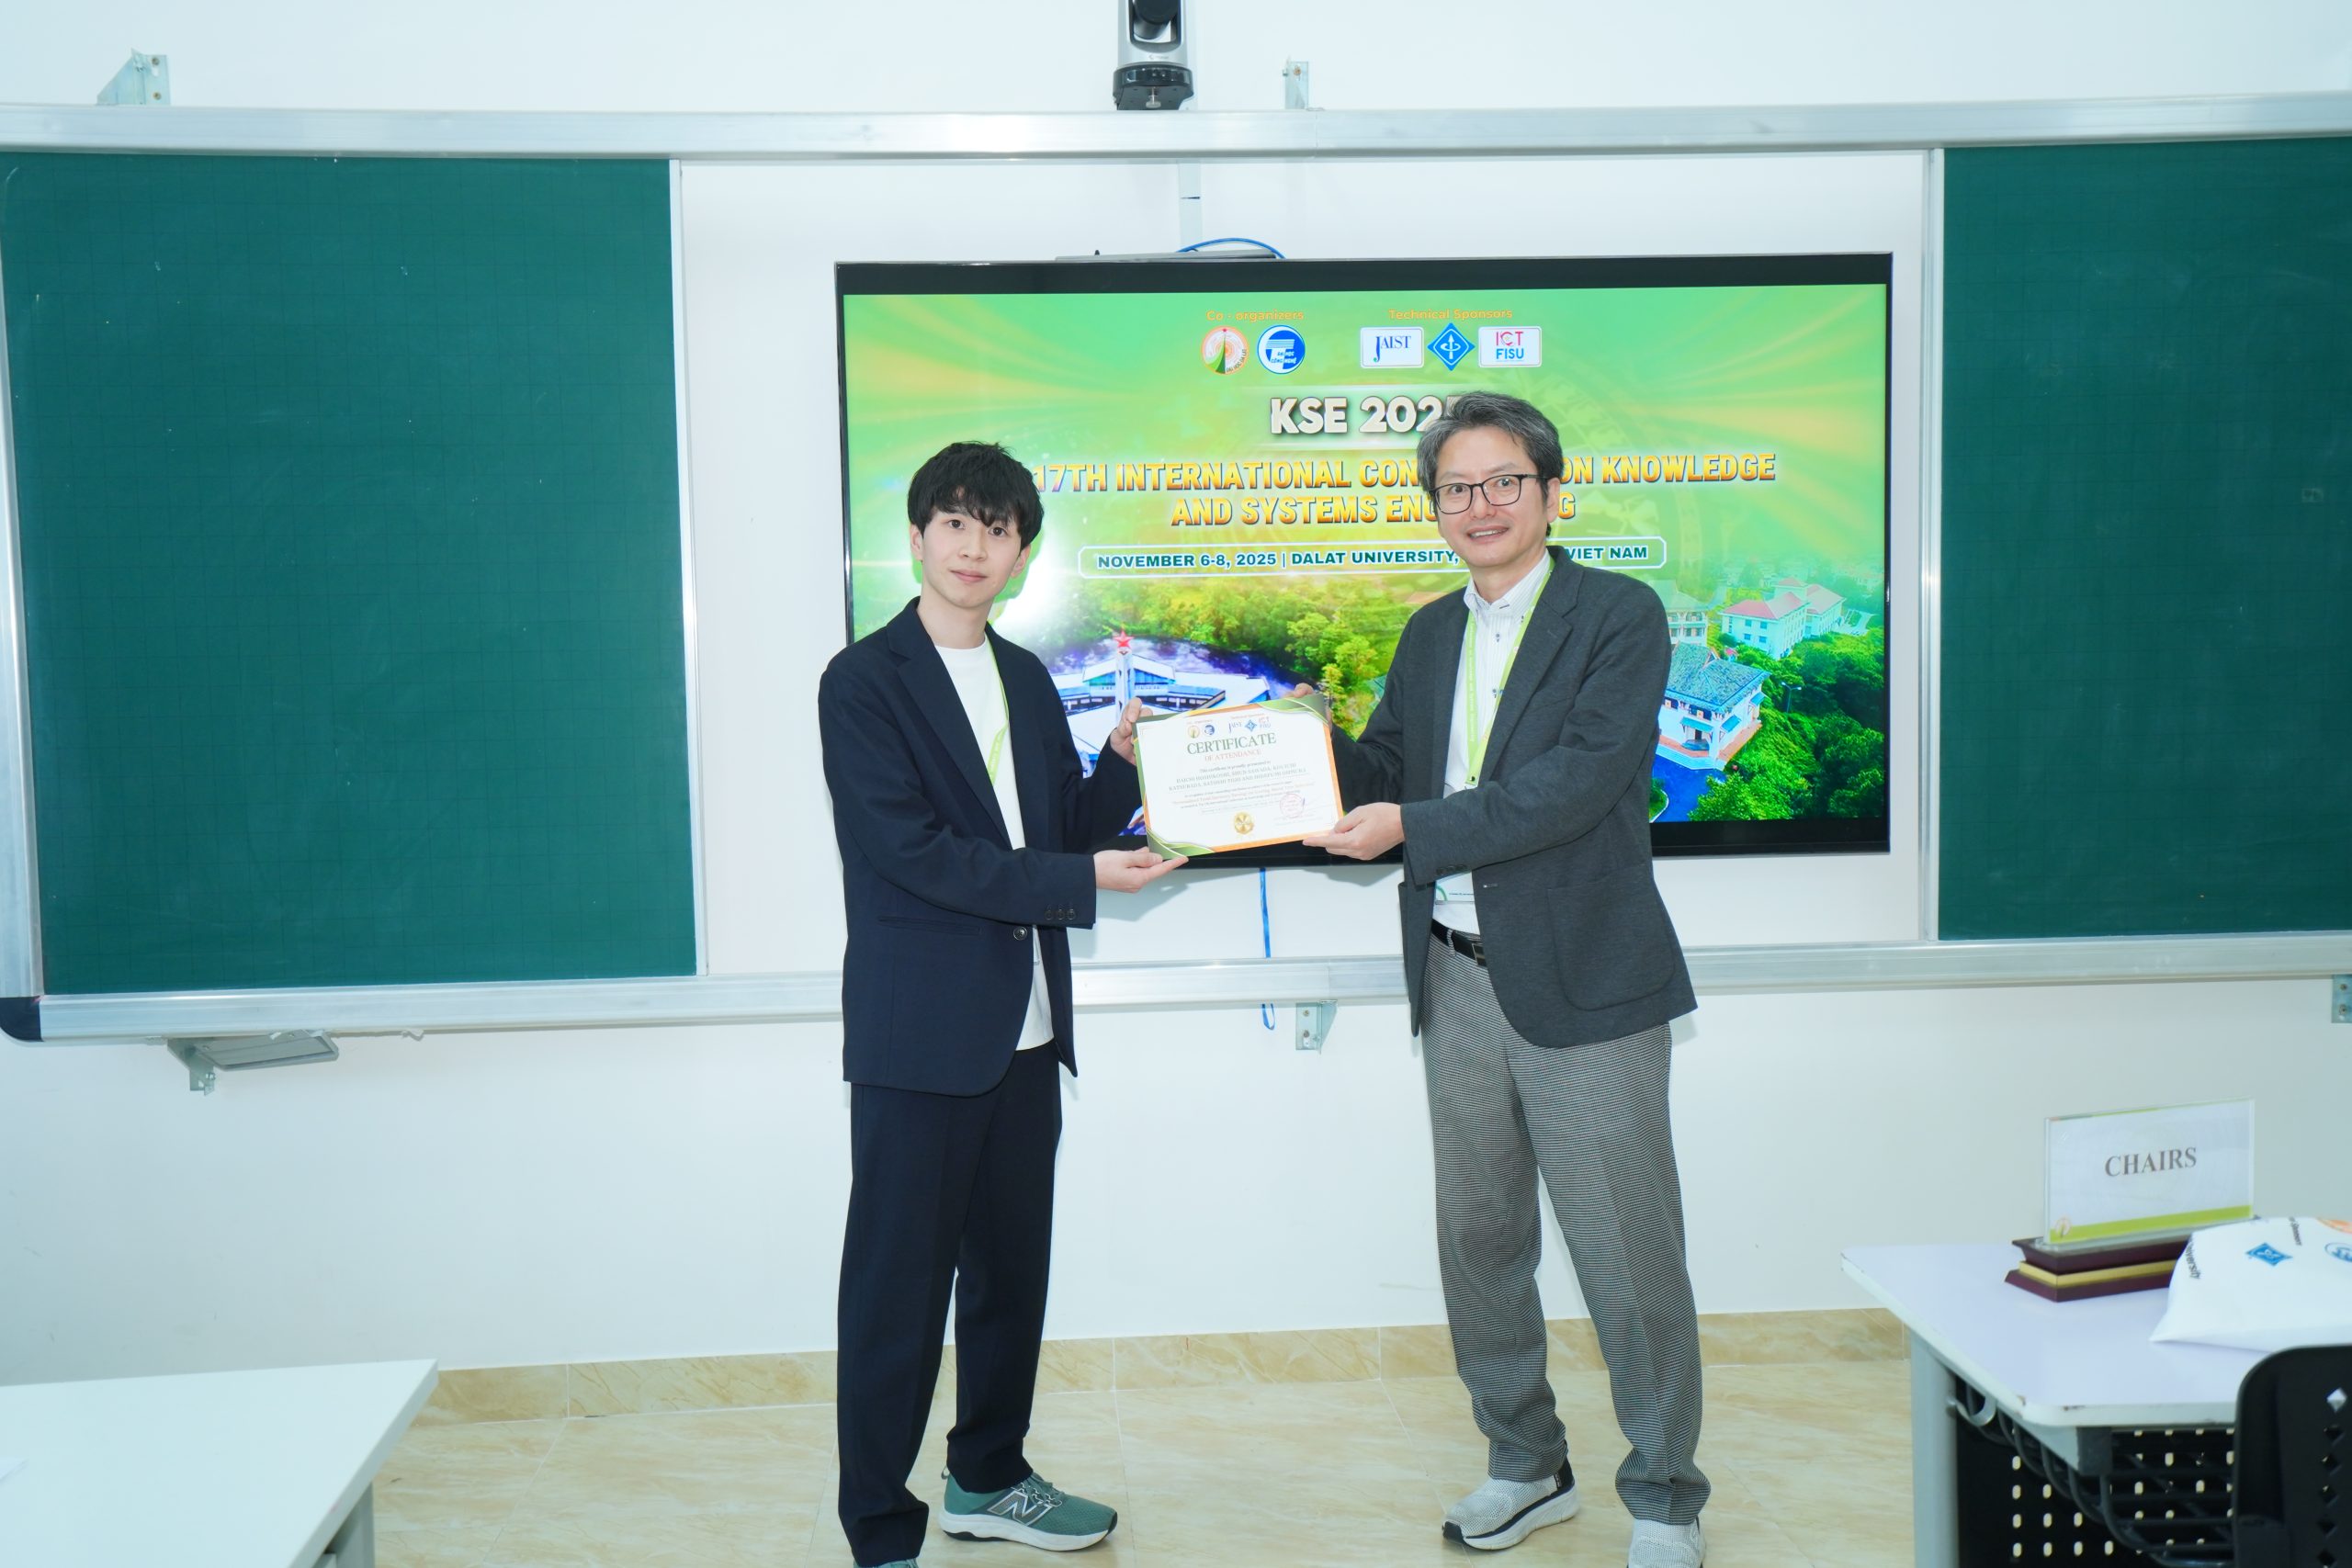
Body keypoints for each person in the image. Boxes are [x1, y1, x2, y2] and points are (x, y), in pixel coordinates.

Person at [1304, 391, 1708, 1566]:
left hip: (1588, 988)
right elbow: (1386, 767)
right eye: (1455, 488)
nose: (1478, 506)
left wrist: (1411, 826)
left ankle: (1666, 1498)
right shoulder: (1431, 631)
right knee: (1479, 1246)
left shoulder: (1617, 615)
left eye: (1503, 482)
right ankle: (1524, 1464)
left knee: (1627, 1258)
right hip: (1455, 980)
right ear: (1434, 507)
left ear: (1551, 493)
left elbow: (1577, 783)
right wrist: (1278, 748)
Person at [819, 441, 1183, 1568]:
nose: (974, 547)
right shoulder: (863, 681)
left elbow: (1056, 831)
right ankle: (880, 1527)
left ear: (1021, 553)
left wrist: (1119, 765)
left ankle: (987, 1476)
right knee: (896, 1294)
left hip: (1027, 1036)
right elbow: (914, 852)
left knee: (1009, 1282)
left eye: (998, 529)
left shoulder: (1022, 675)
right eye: (955, 523)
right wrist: (1078, 879)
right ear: (916, 537)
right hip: (919, 1039)